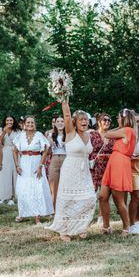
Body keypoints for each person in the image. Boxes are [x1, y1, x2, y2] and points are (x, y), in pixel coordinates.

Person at [45, 101, 95, 241]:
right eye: (81, 119)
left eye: (86, 119)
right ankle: (64, 230)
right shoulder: (70, 132)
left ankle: (80, 226)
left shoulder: (88, 135)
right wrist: (64, 98)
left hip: (84, 171)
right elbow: (66, 114)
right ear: (75, 122)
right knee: (67, 199)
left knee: (89, 197)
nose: (84, 122)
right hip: (70, 169)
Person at [97, 109, 137, 236]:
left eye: (119, 118)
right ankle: (106, 226)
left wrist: (119, 126)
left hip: (120, 166)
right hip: (112, 164)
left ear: (125, 119)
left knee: (118, 200)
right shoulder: (123, 131)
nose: (117, 120)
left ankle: (126, 227)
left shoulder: (127, 130)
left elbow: (107, 134)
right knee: (102, 196)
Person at [13, 116, 54, 224]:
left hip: (36, 162)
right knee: (23, 189)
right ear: (25, 124)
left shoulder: (39, 135)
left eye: (32, 122)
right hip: (24, 163)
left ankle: (37, 216)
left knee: (37, 189)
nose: (30, 124)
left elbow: (46, 150)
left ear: (35, 124)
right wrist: (17, 165)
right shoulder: (20, 136)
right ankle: (23, 213)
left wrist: (40, 165)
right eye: (28, 122)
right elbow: (14, 150)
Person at [89, 113, 115, 224]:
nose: (107, 122)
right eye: (105, 120)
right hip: (94, 166)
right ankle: (87, 216)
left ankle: (101, 216)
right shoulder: (92, 134)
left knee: (104, 194)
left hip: (108, 165)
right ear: (99, 122)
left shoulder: (113, 135)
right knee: (91, 192)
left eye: (109, 120)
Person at [0, 115, 21, 205]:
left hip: (16, 152)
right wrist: (4, 131)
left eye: (11, 120)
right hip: (5, 152)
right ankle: (4, 196)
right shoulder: (1, 129)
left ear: (14, 121)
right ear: (5, 121)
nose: (9, 122)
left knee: (15, 173)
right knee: (5, 173)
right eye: (7, 120)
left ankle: (13, 197)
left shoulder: (18, 131)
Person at [47, 115, 67, 207]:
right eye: (58, 121)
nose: (60, 123)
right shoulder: (50, 135)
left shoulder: (69, 135)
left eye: (62, 121)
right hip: (54, 159)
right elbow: (47, 152)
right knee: (54, 186)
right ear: (55, 124)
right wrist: (49, 144)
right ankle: (54, 209)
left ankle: (65, 207)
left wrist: (66, 143)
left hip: (66, 159)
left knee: (65, 185)